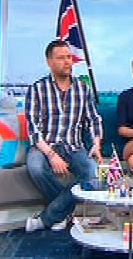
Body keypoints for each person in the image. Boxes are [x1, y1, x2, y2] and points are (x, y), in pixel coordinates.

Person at [24, 40, 104, 232]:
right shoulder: (37, 89)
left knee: (93, 175)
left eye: (69, 57)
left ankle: (47, 218)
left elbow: (93, 119)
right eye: (61, 58)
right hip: (45, 145)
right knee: (35, 167)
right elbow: (33, 128)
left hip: (74, 146)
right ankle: (64, 212)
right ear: (49, 61)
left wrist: (96, 144)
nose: (68, 61)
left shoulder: (82, 89)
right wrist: (52, 155)